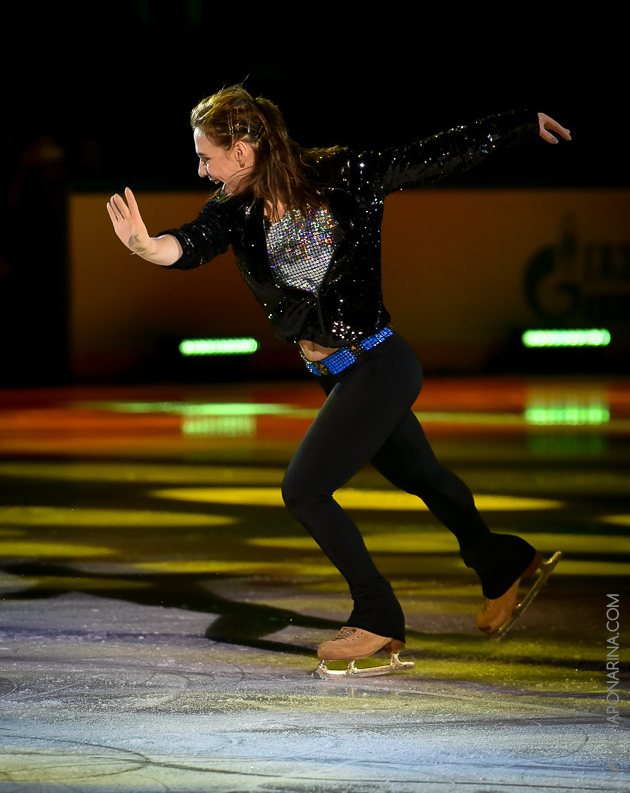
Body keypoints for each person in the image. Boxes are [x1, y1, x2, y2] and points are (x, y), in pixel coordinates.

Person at [107, 86, 570, 676]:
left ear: (243, 152)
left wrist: (519, 123)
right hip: (340, 375)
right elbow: (191, 245)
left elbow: (434, 154)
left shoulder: (344, 173)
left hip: (379, 364)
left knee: (303, 489)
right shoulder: (232, 208)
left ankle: (377, 616)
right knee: (421, 474)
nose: (201, 169)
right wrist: (148, 247)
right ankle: (502, 559)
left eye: (207, 156)